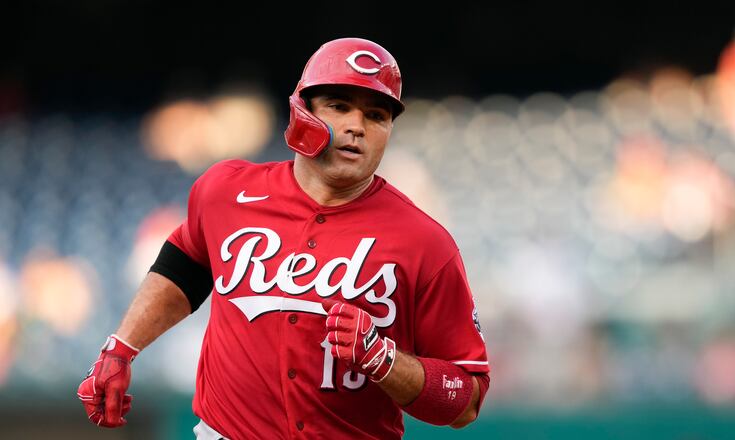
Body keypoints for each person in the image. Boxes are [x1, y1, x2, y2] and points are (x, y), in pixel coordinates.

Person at [77, 37, 490, 439]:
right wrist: (122, 346)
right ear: (301, 111)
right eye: (339, 106)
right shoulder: (227, 191)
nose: (357, 127)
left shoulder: (425, 242)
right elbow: (187, 261)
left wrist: (385, 361)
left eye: (376, 115)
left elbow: (466, 400)